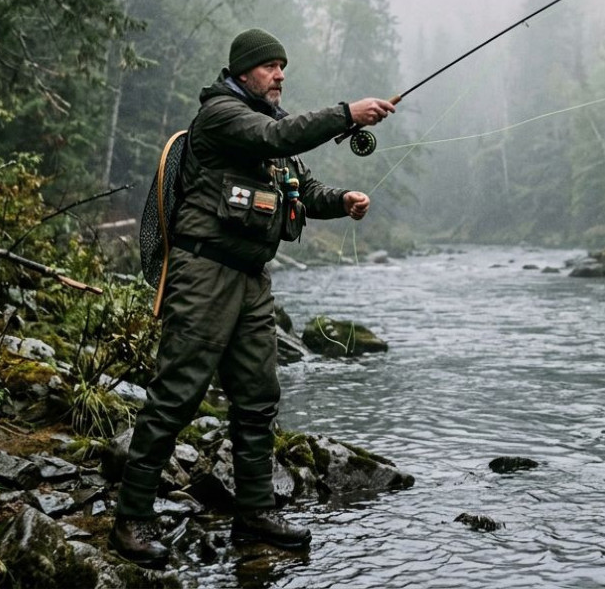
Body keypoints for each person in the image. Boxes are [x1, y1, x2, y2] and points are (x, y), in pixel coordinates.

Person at [111, 28, 395, 566]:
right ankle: (131, 518)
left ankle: (255, 515)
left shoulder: (270, 129)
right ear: (242, 71)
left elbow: (304, 190)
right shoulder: (222, 116)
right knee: (176, 393)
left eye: (283, 66)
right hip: (203, 272)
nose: (280, 75)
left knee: (258, 399)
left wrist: (344, 201)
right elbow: (277, 140)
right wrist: (346, 113)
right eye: (269, 66)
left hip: (251, 279)